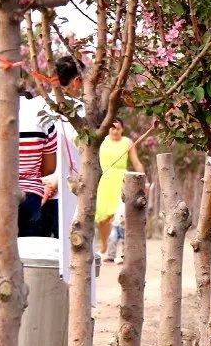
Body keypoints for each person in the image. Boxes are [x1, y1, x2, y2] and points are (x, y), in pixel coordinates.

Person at [0, 55, 57, 332]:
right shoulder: (41, 113)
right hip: (28, 202)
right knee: (23, 270)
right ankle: (20, 334)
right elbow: (48, 166)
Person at [39, 56, 84, 239]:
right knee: (66, 253)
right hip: (67, 193)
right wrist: (57, 178)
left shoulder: (36, 106)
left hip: (34, 191)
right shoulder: (80, 110)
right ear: (76, 81)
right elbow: (82, 149)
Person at [95, 118, 144, 259]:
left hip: (121, 180)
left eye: (118, 128)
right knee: (102, 216)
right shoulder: (101, 140)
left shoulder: (127, 142)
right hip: (104, 179)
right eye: (112, 128)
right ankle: (104, 245)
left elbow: (136, 161)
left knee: (120, 216)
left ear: (122, 129)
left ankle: (123, 251)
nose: (115, 130)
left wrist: (142, 179)